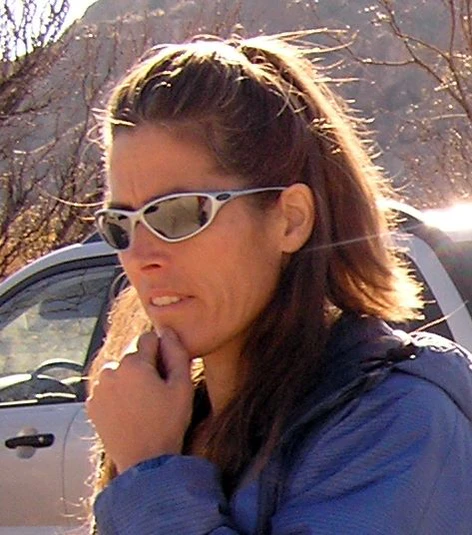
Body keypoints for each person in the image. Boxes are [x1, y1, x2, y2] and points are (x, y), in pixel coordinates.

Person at [86, 33, 472, 534]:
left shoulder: (399, 421)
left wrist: (149, 475)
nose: (139, 257)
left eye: (177, 214)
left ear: (290, 219)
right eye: (120, 224)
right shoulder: (173, 416)